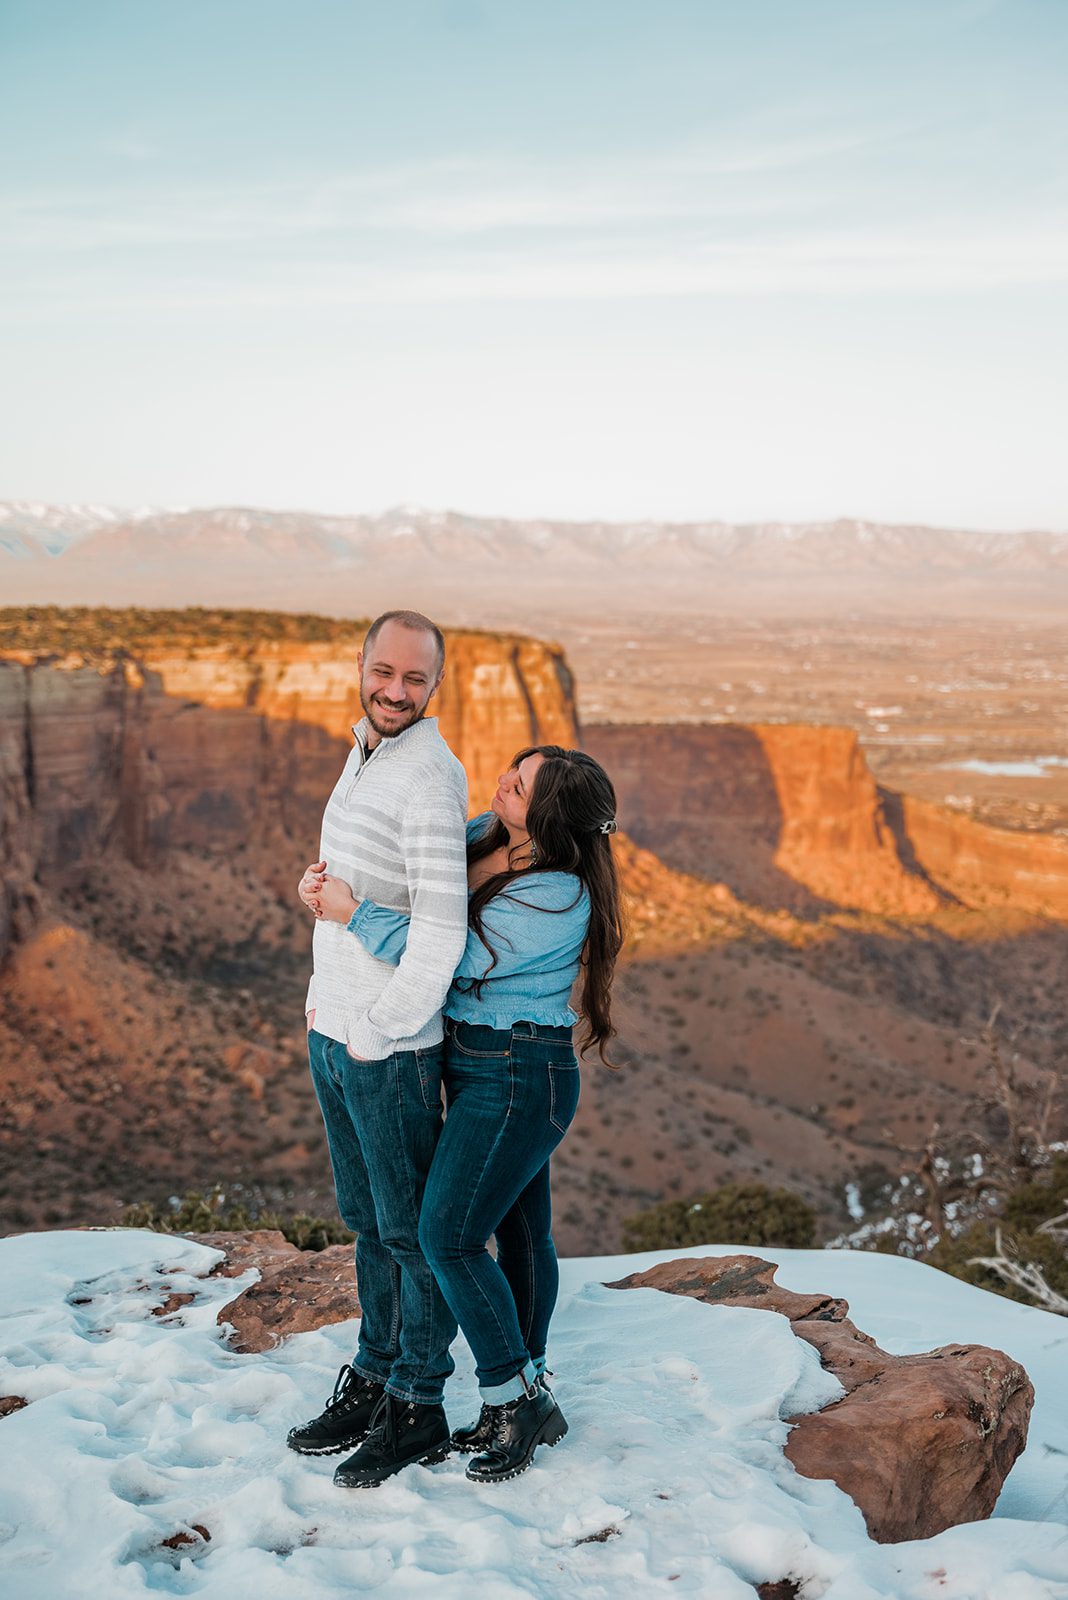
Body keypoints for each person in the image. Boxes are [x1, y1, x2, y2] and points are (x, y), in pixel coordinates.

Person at [309, 744, 623, 1483]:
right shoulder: (489, 834)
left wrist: (353, 913)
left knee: (446, 1237)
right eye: (514, 770)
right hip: (478, 1064)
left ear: (547, 818)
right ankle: (528, 1378)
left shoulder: (556, 895)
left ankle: (516, 1396)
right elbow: (420, 871)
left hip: (517, 1075)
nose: (502, 782)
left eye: (520, 785)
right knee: (519, 1231)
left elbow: (446, 956)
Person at [287, 609, 470, 1490]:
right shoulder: (365, 754)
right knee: (367, 1223)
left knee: (407, 1234)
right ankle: (374, 1372)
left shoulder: (430, 777)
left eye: (415, 679)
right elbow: (361, 887)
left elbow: (444, 931)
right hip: (335, 1028)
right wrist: (316, 889)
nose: (396, 690)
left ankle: (419, 1404)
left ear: (436, 685)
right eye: (384, 672)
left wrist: (385, 1027)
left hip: (383, 1049)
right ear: (360, 667)